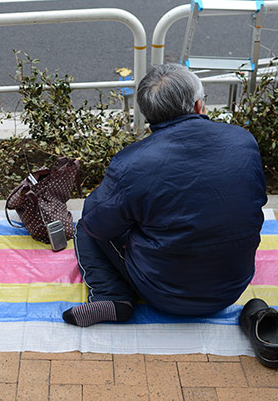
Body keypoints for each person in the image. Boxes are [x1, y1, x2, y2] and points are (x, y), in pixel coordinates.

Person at [63, 63, 267, 327]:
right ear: (198, 106)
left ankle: (112, 296)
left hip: (164, 294)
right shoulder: (243, 141)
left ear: (149, 118)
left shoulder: (132, 163)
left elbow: (97, 223)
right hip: (232, 288)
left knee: (85, 226)